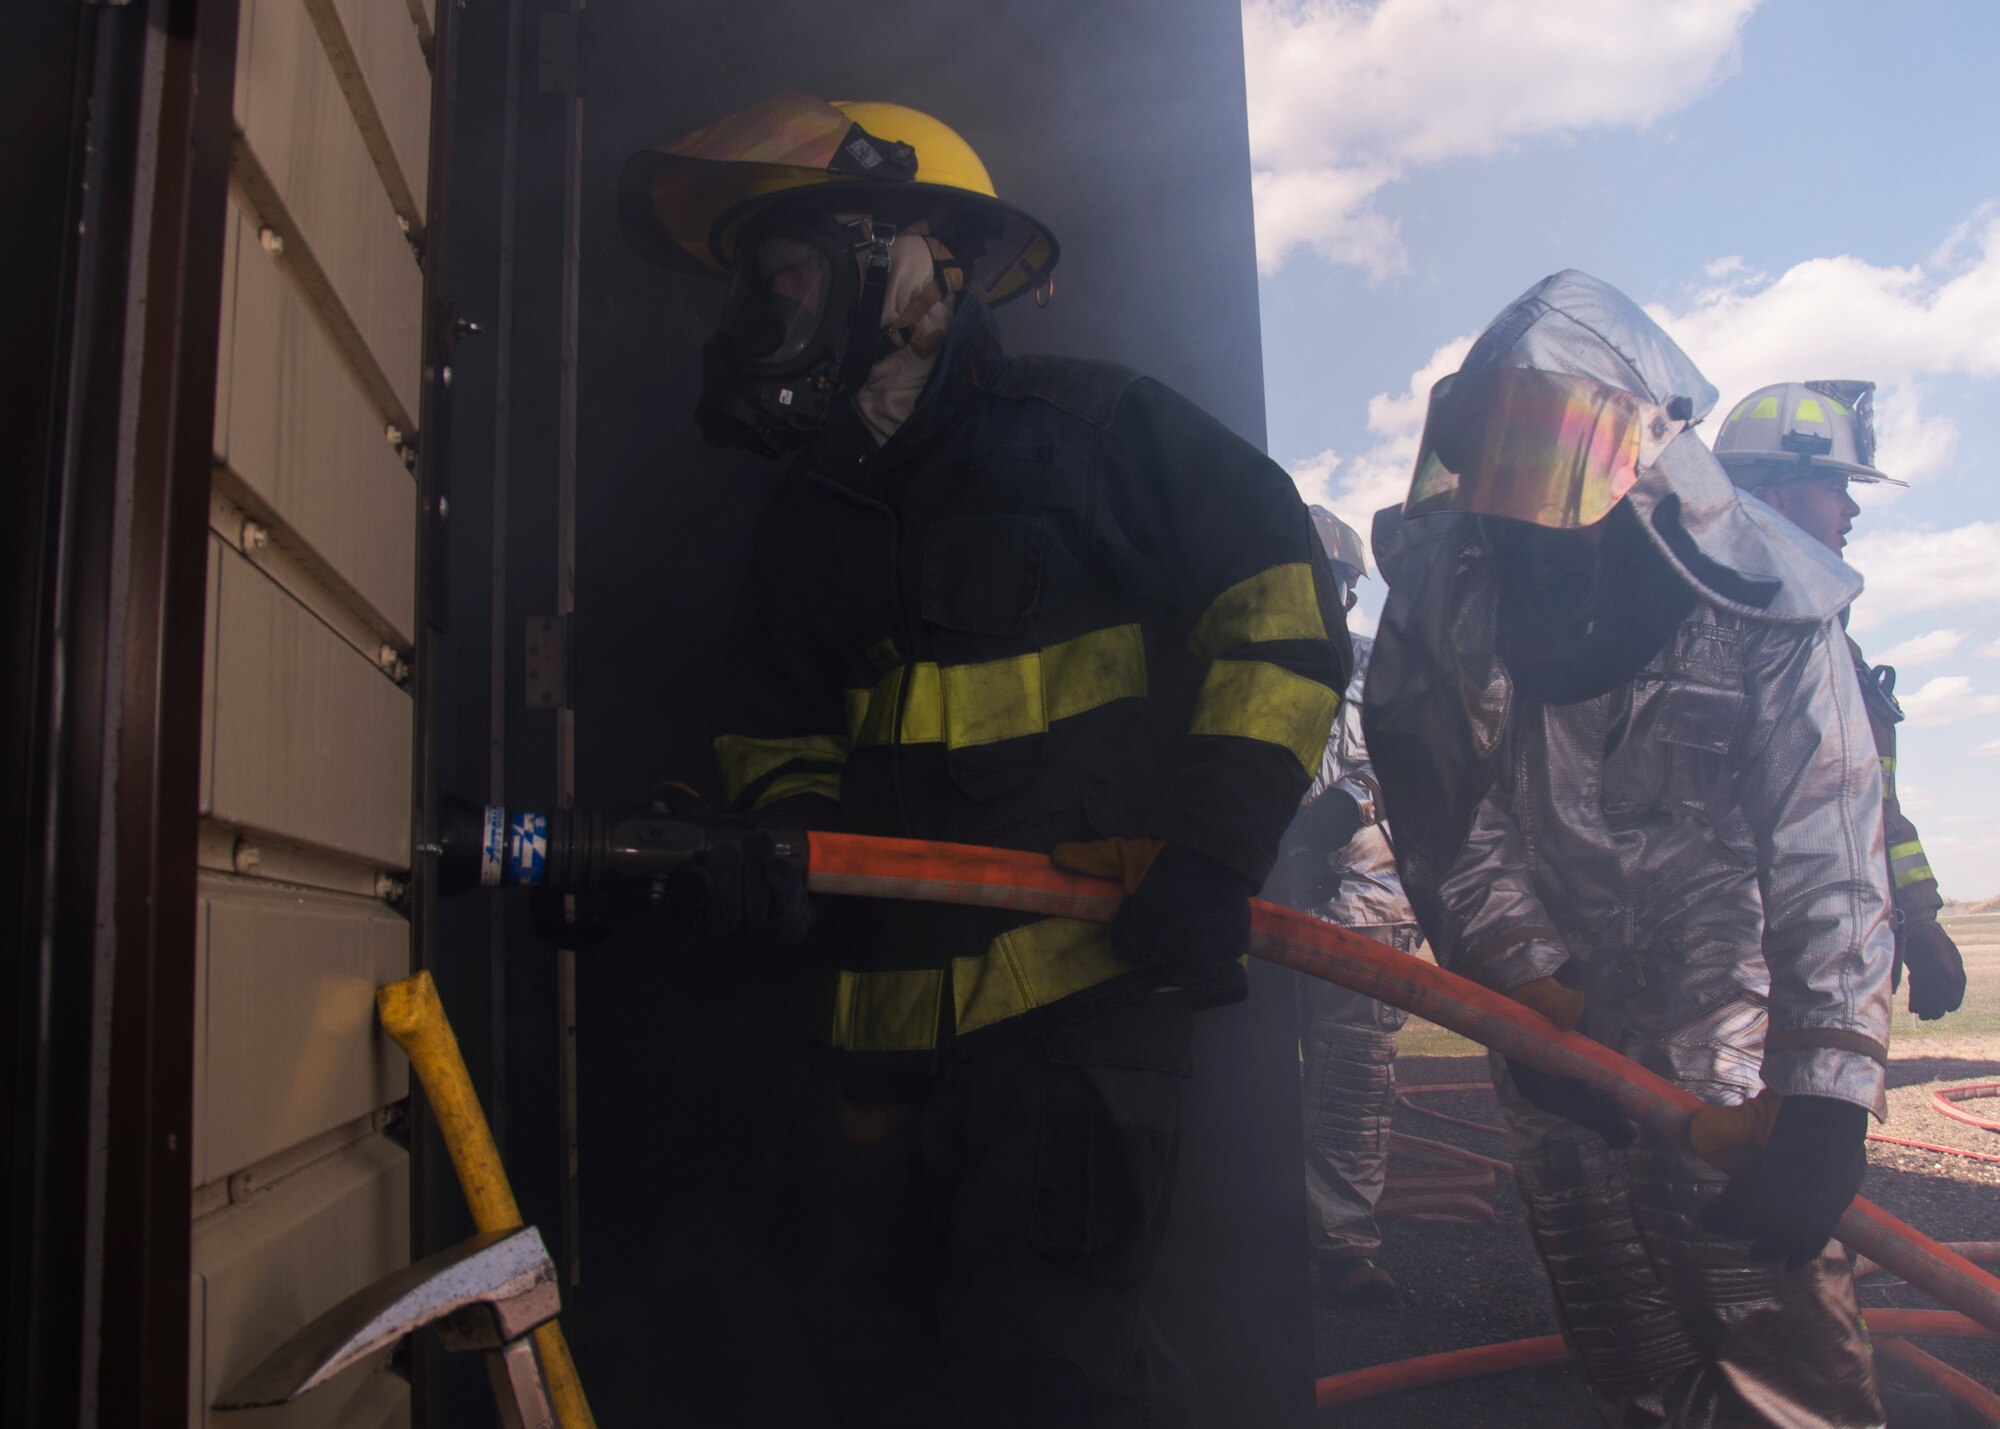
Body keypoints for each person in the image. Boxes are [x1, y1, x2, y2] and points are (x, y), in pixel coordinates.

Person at [619, 94, 1351, 1427]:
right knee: (888, 1378)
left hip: (1069, 1024)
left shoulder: (1098, 435)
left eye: (783, 276)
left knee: (1052, 1373)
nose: (757, 315)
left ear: (901, 267)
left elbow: (1279, 613)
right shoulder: (809, 518)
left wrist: (1215, 843)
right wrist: (780, 861)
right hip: (872, 1046)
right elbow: (772, 735)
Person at [1363, 271, 1904, 1427]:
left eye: (1556, 444)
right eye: (1505, 449)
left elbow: (1827, 850)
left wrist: (1823, 1094)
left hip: (1730, 1016)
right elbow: (1442, 805)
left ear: (1644, 449)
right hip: (1556, 1022)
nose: (1527, 492)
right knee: (1617, 1325)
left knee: (1769, 1327)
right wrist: (1521, 982)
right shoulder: (1457, 603)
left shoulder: (1763, 603)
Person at [1713, 380, 1968, 1025]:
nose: (1850, 511)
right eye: (1834, 488)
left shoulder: (1827, 641)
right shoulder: (1710, 636)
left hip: (1816, 965)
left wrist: (1920, 917)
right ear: (1771, 497)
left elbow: (1868, 801)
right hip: (1732, 974)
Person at [1268, 506, 1422, 1310]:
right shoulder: (1239, 662)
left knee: (1353, 1085)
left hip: (1362, 910)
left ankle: (1346, 1246)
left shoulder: (1380, 672)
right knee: (1244, 1076)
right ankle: (1244, 1231)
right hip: (1258, 907)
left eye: (1339, 583)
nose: (1328, 596)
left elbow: (1427, 758)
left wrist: (1349, 804)